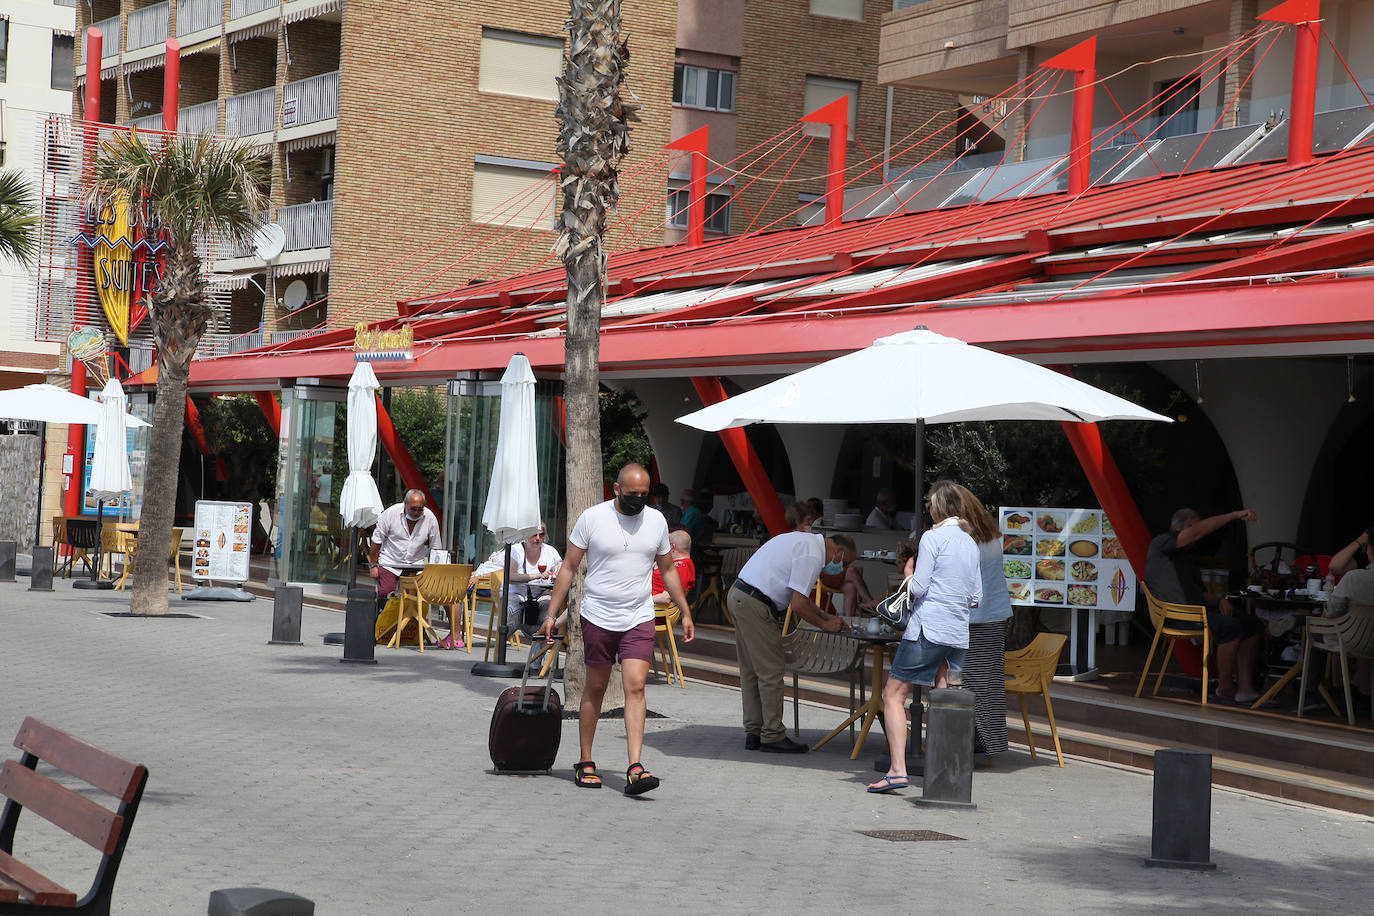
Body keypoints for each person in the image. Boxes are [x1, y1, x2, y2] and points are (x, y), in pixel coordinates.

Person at [539, 464, 694, 795]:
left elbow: (667, 570)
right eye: (632, 494)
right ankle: (585, 760)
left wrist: (686, 610)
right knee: (595, 687)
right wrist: (552, 614)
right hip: (597, 615)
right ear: (615, 488)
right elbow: (568, 567)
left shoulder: (656, 521)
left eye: (644, 494)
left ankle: (635, 767)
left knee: (636, 686)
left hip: (638, 615)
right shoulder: (593, 518)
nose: (639, 500)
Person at [869, 480, 980, 793]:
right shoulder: (970, 543)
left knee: (893, 693)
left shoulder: (932, 538)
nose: (927, 508)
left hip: (928, 628)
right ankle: (943, 775)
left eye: (930, 503)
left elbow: (918, 588)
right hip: (958, 634)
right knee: (944, 700)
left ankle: (897, 770)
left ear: (940, 506)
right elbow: (976, 597)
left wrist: (908, 575)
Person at [728, 529, 850, 753]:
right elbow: (798, 604)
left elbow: (800, 597)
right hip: (756, 604)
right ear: (839, 551)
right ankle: (772, 734)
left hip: (741, 596)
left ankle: (754, 732)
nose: (840, 568)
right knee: (771, 671)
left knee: (752, 670)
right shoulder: (813, 555)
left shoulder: (804, 542)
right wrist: (825, 625)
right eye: (845, 562)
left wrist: (824, 615)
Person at [1145, 507, 1263, 704]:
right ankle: (1224, 688)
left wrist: (1220, 599)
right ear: (1176, 528)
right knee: (1230, 628)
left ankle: (1245, 688)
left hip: (1196, 612)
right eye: (1193, 528)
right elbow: (1198, 532)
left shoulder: (1187, 559)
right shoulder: (1161, 543)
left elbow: (1199, 594)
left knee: (1252, 624)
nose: (1199, 533)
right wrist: (1233, 515)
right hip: (1177, 615)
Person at [951, 483, 1014, 757]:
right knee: (986, 684)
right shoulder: (992, 536)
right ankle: (986, 743)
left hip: (972, 618)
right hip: (995, 616)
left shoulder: (965, 540)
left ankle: (963, 744)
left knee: (963, 682)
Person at [787, 501, 872, 613]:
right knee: (852, 571)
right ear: (804, 520)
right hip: (817, 575)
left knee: (851, 587)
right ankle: (870, 602)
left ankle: (849, 621)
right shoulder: (804, 537)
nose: (811, 522)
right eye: (809, 520)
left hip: (817, 574)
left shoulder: (796, 536)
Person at [367, 489, 442, 605]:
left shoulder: (430, 518)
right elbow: (376, 541)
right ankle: (382, 619)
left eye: (420, 509)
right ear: (405, 504)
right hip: (390, 561)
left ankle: (408, 621)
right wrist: (373, 565)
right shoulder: (390, 514)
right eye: (413, 509)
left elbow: (436, 548)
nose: (417, 512)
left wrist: (435, 572)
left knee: (412, 597)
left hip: (415, 564)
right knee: (386, 591)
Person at [504, 525, 562, 635]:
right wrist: (537, 575)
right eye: (534, 535)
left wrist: (557, 572)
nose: (538, 538)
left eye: (541, 535)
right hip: (516, 593)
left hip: (540, 595)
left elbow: (559, 570)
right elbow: (510, 576)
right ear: (525, 535)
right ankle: (499, 650)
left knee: (549, 617)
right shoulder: (516, 550)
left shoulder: (550, 551)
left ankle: (538, 651)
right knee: (512, 616)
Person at [651, 529, 695, 604]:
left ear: (673, 547)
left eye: (667, 544)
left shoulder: (681, 567)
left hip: (651, 609)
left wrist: (642, 602)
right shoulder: (683, 564)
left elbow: (666, 598)